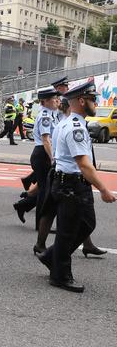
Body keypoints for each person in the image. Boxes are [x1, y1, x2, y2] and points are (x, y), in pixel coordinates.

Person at [37, 82, 115, 292]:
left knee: (87, 223)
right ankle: (60, 275)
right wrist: (104, 189)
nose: (96, 103)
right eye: (92, 99)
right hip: (71, 185)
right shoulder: (75, 127)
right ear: (82, 101)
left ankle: (51, 256)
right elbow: (83, 164)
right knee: (67, 232)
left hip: (71, 183)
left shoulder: (67, 121)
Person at [29, 86, 59, 230]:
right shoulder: (45, 116)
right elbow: (46, 139)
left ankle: (40, 223)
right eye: (53, 99)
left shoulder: (51, 113)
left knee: (44, 189)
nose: (56, 101)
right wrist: (53, 159)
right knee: (44, 191)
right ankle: (40, 224)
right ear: (45, 101)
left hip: (43, 153)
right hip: (43, 154)